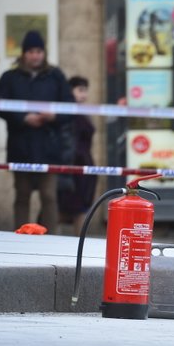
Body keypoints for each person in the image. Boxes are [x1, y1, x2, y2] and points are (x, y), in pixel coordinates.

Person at [0, 30, 74, 231]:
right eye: (30, 51)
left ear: (44, 53)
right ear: (23, 53)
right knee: (22, 194)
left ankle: (50, 238)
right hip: (20, 145)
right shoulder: (10, 77)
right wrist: (23, 119)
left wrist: (53, 116)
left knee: (49, 196)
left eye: (38, 51)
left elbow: (70, 107)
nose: (35, 55)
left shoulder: (55, 76)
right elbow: (0, 106)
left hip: (49, 147)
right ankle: (21, 235)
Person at [56, 76, 97, 235]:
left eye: (85, 90)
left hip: (85, 166)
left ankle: (78, 245)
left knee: (82, 208)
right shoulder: (66, 113)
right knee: (63, 208)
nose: (83, 95)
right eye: (80, 90)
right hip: (71, 166)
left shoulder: (84, 113)